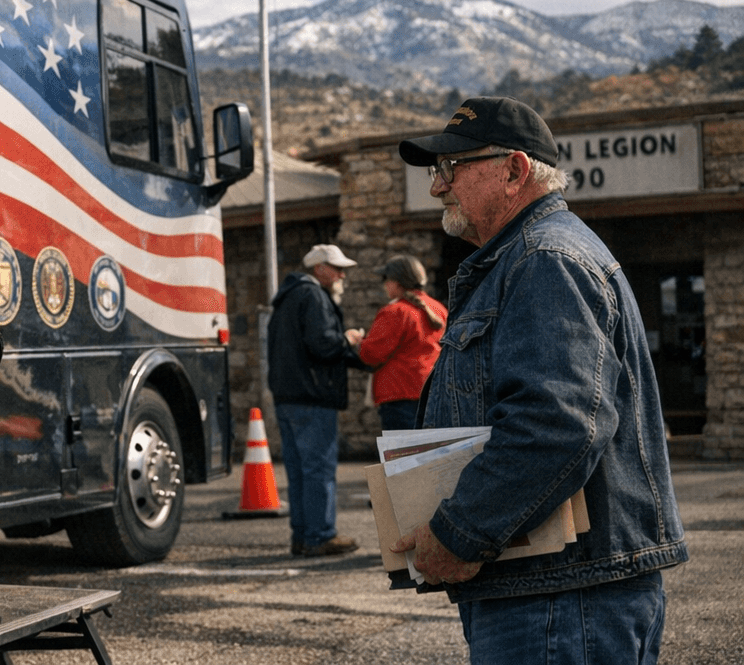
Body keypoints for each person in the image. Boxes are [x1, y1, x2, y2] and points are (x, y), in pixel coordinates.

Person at [394, 96, 686, 664]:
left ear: (514, 170)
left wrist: (459, 533)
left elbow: (557, 425)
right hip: (555, 593)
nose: (437, 186)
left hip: (560, 598)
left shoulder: (544, 259)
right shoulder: (528, 258)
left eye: (451, 168)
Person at [267, 243, 368, 557]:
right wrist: (349, 339)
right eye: (337, 268)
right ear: (319, 269)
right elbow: (323, 345)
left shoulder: (287, 297)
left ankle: (303, 535)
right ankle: (320, 535)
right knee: (319, 471)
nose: (341, 274)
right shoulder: (313, 296)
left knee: (298, 472)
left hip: (287, 397)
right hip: (313, 397)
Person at [351, 255, 445, 431]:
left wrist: (359, 343)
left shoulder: (395, 311)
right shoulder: (439, 309)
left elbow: (372, 355)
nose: (384, 284)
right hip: (431, 392)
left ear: (396, 283)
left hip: (399, 394)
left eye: (385, 279)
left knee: (402, 456)